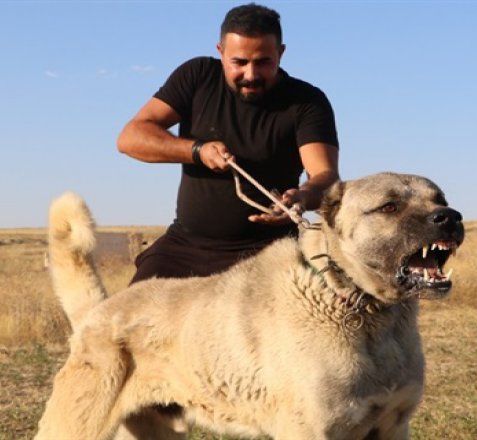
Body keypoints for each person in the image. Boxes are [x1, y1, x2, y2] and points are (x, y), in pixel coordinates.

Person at [117, 3, 340, 284]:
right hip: (184, 247)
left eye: (263, 62)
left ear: (281, 53)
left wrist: (303, 198)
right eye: (239, 62)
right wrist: (197, 151)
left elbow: (326, 177)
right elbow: (131, 137)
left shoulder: (308, 102)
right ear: (221, 52)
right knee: (129, 319)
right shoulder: (196, 76)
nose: (250, 74)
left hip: (269, 253)